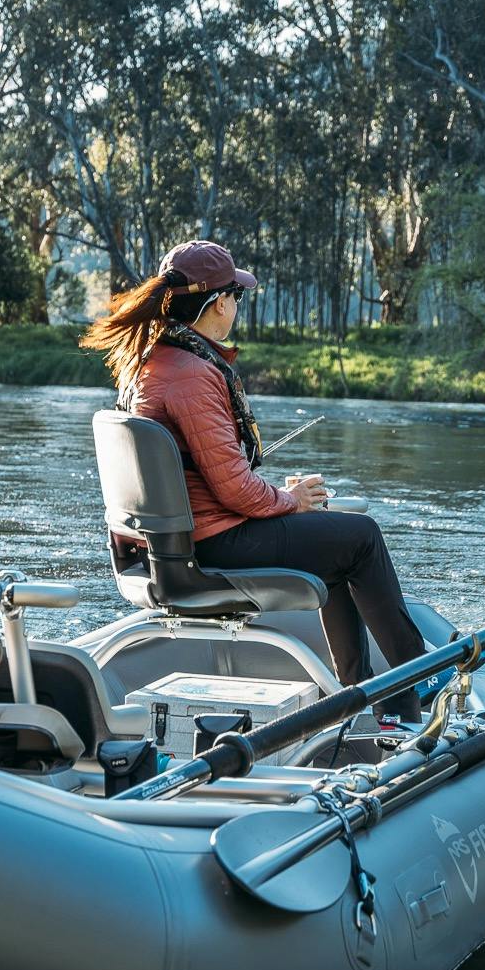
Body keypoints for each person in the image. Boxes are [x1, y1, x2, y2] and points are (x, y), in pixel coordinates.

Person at [80, 239, 429, 724]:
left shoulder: (148, 363)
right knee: (361, 536)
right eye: (236, 297)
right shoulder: (192, 374)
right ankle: (412, 685)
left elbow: (212, 476)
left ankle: (360, 696)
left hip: (176, 548)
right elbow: (236, 492)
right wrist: (290, 499)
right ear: (218, 303)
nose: (237, 306)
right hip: (215, 547)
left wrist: (286, 503)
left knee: (334, 548)